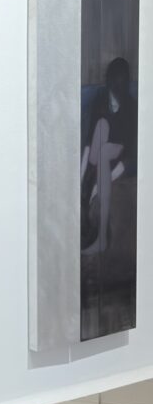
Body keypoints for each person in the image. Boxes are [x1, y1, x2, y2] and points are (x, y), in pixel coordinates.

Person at [81, 56, 138, 255]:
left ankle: (102, 240)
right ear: (109, 82)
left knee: (105, 149)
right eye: (114, 83)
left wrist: (99, 185)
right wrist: (80, 178)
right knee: (101, 125)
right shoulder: (100, 99)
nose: (117, 89)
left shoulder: (131, 107)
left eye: (122, 84)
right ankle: (85, 187)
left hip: (122, 157)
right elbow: (89, 143)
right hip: (98, 156)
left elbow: (130, 154)